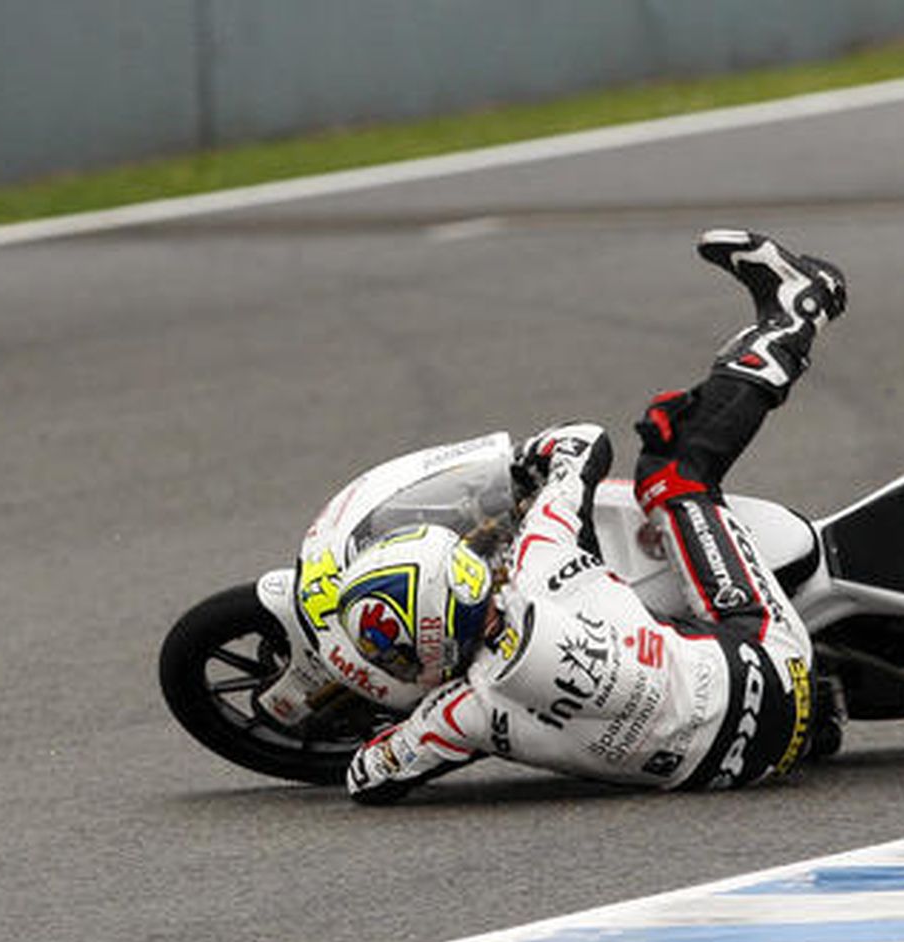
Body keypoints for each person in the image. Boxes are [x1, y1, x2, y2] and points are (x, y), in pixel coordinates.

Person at [336, 229, 847, 804]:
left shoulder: (462, 713)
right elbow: (585, 443)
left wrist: (402, 726)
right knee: (673, 469)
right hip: (774, 664)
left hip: (744, 769)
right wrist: (525, 463)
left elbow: (367, 778)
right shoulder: (538, 562)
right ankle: (798, 307)